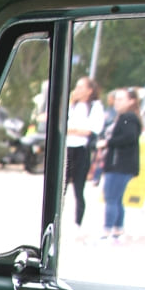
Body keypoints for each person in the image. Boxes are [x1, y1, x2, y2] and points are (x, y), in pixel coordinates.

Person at [100, 87, 141, 242]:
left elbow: (129, 137)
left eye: (121, 99)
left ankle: (107, 231)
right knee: (117, 199)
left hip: (120, 164)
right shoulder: (125, 117)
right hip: (121, 164)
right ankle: (117, 230)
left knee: (111, 197)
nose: (117, 102)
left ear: (131, 101)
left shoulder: (128, 117)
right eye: (116, 99)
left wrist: (107, 142)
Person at [63, 75, 103, 228]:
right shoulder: (72, 105)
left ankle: (78, 222)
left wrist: (74, 130)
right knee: (62, 186)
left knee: (79, 187)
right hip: (68, 148)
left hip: (82, 149)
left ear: (89, 90)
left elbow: (91, 130)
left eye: (81, 87)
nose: (77, 90)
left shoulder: (94, 107)